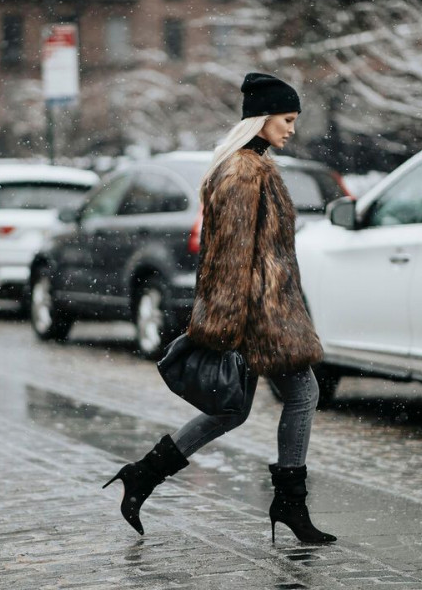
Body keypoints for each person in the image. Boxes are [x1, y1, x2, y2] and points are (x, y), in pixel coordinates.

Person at [104, 73, 336, 544]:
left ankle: (143, 475)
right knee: (303, 394)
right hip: (255, 317)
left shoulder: (254, 166)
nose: (291, 129)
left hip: (262, 312)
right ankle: (289, 503)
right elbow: (228, 257)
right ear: (262, 118)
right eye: (286, 119)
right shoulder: (243, 172)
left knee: (232, 410)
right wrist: (228, 327)